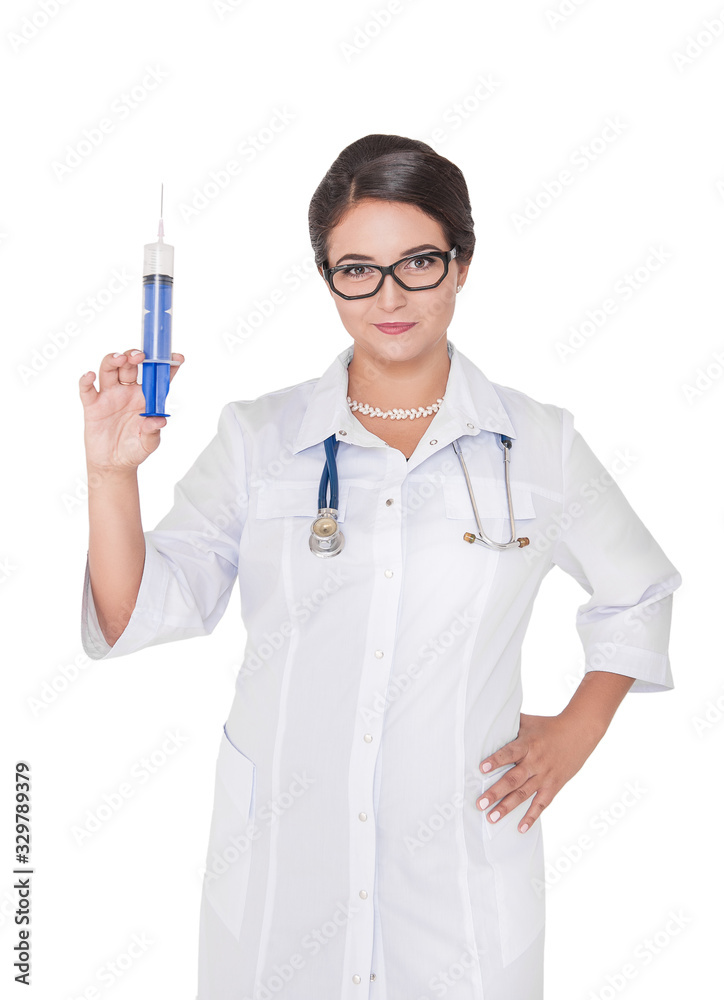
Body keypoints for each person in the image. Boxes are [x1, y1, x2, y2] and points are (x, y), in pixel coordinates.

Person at [78, 134, 682, 1000]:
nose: (389, 297)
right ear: (327, 278)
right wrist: (111, 477)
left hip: (460, 891)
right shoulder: (259, 440)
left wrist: (575, 734)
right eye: (357, 270)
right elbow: (137, 610)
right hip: (285, 887)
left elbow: (640, 591)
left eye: (418, 264)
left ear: (462, 264)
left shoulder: (538, 445)